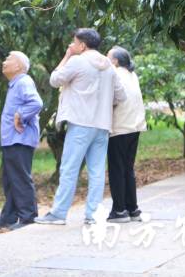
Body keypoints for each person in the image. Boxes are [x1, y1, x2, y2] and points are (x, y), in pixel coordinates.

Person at [35, 28, 126, 226]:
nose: (72, 46)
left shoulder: (77, 61)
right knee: (97, 171)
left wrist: (67, 55)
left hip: (80, 124)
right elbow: (121, 96)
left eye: (74, 43)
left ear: (82, 45)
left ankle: (59, 213)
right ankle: (93, 215)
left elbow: (54, 79)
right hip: (102, 125)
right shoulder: (109, 66)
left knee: (69, 168)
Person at [0, 51, 43, 231]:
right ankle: (9, 217)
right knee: (10, 180)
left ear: (19, 66)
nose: (4, 62)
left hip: (21, 139)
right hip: (12, 139)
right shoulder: (15, 84)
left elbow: (36, 103)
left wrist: (21, 115)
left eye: (8, 59)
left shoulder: (24, 81)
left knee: (20, 178)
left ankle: (28, 217)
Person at [106, 46, 147, 223]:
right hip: (135, 127)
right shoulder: (132, 75)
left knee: (117, 169)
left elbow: (111, 99)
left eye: (108, 58)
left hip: (119, 128)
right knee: (128, 169)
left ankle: (119, 210)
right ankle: (133, 209)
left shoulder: (114, 74)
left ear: (115, 61)